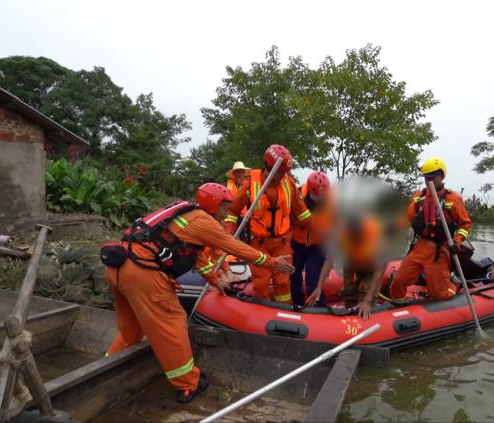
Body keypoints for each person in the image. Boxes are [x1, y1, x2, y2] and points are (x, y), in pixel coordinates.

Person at [102, 183, 294, 403]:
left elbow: (196, 258)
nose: (227, 214)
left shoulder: (183, 215)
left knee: (130, 331)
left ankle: (104, 368)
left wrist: (216, 280)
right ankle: (188, 384)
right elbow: (232, 246)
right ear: (214, 204)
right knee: (172, 321)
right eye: (224, 208)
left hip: (117, 267)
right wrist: (271, 262)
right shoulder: (203, 221)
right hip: (142, 274)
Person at [224, 145, 311, 302]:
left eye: (285, 172)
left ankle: (285, 314)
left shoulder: (289, 184)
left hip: (282, 242)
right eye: (281, 172)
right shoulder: (250, 183)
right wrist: (228, 234)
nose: (283, 175)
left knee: (283, 282)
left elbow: (303, 213)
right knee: (262, 282)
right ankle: (261, 315)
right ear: (269, 167)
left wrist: (320, 232)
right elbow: (233, 212)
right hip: (259, 243)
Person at [390, 157, 472, 301]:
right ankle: (398, 304)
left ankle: (453, 286)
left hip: (439, 250)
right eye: (425, 177)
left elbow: (465, 225)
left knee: (439, 294)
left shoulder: (453, 199)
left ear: (441, 176)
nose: (427, 180)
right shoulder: (418, 197)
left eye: (431, 177)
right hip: (420, 246)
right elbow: (407, 218)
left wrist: (456, 241)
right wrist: (393, 228)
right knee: (399, 280)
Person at [306, 214, 387, 320]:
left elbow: (379, 271)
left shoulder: (376, 238)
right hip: (352, 264)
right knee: (349, 294)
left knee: (366, 298)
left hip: (372, 268)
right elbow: (330, 260)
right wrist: (319, 287)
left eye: (358, 238)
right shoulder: (340, 235)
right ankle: (350, 322)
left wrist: (367, 300)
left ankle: (366, 316)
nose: (356, 241)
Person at [291, 171, 332, 306]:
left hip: (317, 245)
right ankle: (297, 304)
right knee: (294, 277)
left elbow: (335, 224)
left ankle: (319, 307)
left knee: (313, 279)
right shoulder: (297, 197)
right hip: (297, 243)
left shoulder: (332, 203)